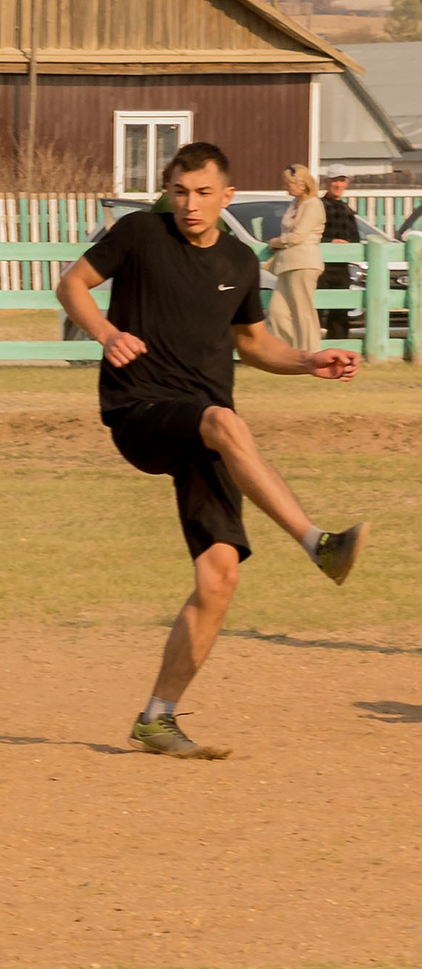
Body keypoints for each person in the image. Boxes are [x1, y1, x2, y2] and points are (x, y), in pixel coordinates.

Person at [56, 141, 367, 761]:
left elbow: (253, 345)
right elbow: (73, 283)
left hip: (204, 424)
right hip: (140, 408)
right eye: (179, 192)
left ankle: (157, 719)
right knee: (225, 421)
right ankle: (318, 543)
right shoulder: (140, 234)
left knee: (219, 577)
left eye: (202, 194)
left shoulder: (239, 260)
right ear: (167, 191)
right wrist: (107, 331)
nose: (190, 205)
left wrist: (307, 359)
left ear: (227, 196)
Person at [264, 165, 325, 351]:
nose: (287, 187)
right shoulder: (295, 204)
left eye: (290, 183)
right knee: (276, 312)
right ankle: (291, 353)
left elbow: (298, 236)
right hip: (286, 264)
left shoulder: (313, 204)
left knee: (302, 311)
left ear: (303, 184)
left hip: (304, 263)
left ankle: (311, 353)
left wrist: (277, 242)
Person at [318, 169, 360, 342]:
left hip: (341, 267)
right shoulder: (318, 206)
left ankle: (340, 347)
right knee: (316, 308)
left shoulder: (347, 210)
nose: (337, 184)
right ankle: (312, 349)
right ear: (327, 182)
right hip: (320, 265)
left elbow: (355, 237)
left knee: (340, 310)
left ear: (346, 184)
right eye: (334, 180)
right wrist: (330, 241)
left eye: (341, 180)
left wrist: (349, 245)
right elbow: (312, 234)